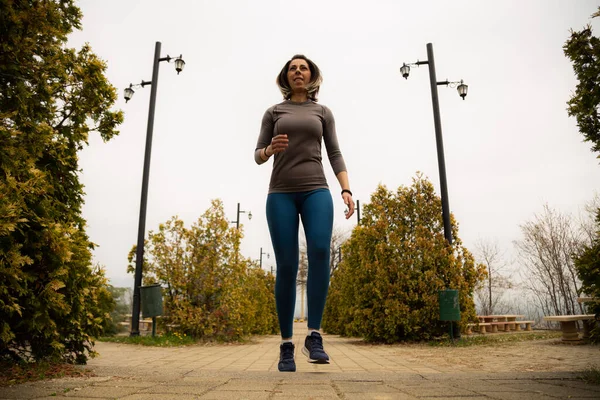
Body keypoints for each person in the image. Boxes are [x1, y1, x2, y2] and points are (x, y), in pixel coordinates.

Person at [254, 54, 354, 372]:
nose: (298, 72)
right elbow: (257, 154)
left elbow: (335, 152)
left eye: (304, 68)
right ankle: (286, 345)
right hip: (280, 193)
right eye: (293, 68)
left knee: (321, 251)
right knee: (287, 265)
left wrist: (346, 189)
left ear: (311, 76)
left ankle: (314, 336)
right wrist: (270, 150)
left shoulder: (323, 112)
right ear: (286, 77)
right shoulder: (274, 112)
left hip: (317, 190)